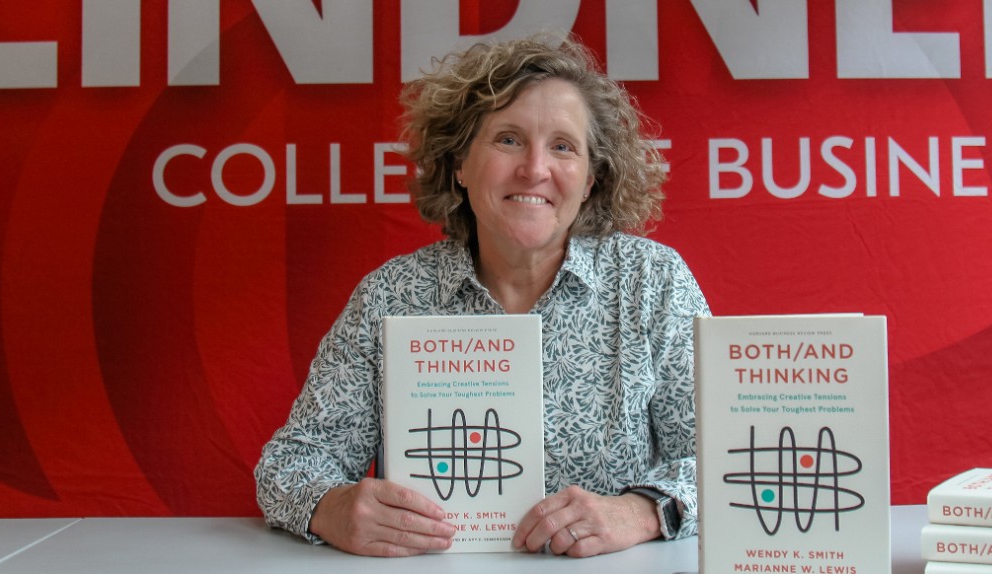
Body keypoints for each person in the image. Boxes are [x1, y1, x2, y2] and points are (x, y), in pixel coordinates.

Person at [254, 35, 710, 558]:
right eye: (508, 140)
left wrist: (642, 511)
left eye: (563, 146)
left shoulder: (651, 283)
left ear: (590, 179)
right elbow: (290, 465)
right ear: (459, 165)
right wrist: (332, 507)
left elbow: (722, 459)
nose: (534, 169)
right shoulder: (391, 297)